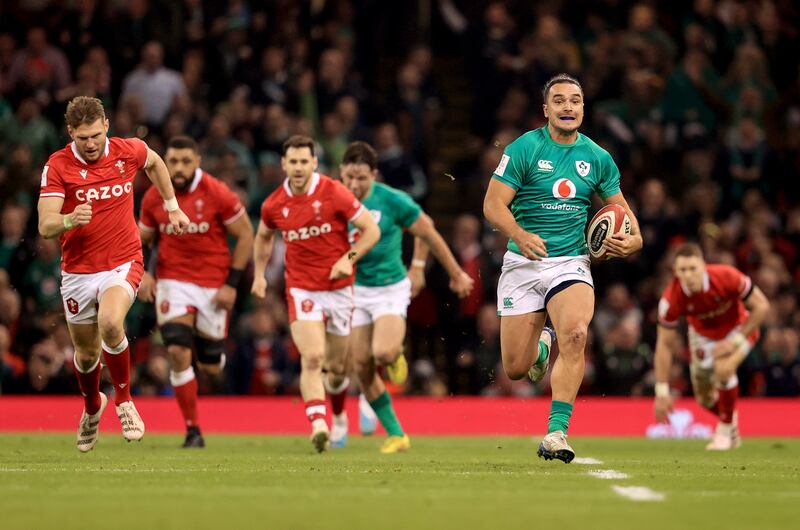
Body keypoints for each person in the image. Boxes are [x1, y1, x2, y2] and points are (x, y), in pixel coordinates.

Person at [483, 74, 643, 463]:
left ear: (583, 109)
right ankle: (540, 347)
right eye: (559, 101)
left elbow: (632, 227)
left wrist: (631, 242)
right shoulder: (524, 148)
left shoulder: (599, 158)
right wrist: (520, 235)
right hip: (523, 262)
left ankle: (556, 431)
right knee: (516, 369)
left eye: (575, 101)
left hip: (570, 262)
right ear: (546, 109)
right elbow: (492, 206)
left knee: (574, 333)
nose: (568, 107)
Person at [37, 96, 190, 452]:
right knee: (87, 355)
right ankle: (93, 407)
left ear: (106, 125)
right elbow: (45, 225)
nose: (90, 144)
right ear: (70, 132)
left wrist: (173, 208)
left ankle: (123, 401)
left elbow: (155, 163)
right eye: (82, 138)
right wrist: (68, 220)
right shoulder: (57, 166)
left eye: (95, 135)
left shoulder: (128, 151)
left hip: (123, 261)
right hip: (78, 270)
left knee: (110, 321)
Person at [338, 141, 474, 452]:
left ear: (374, 174)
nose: (354, 184)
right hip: (354, 289)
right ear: (341, 174)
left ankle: (395, 353)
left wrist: (446, 271)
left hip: (389, 287)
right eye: (349, 177)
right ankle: (397, 434)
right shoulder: (336, 200)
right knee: (360, 365)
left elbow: (427, 231)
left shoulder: (392, 200)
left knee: (383, 354)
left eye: (361, 177)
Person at [251, 135, 380, 453]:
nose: (297, 167)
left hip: (339, 290)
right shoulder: (274, 204)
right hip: (302, 288)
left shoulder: (333, 192)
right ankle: (319, 423)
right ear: (284, 164)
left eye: (303, 162)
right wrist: (258, 275)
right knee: (312, 358)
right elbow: (264, 236)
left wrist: (346, 259)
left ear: (314, 163)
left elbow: (371, 231)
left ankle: (338, 416)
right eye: (292, 161)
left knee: (337, 370)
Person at [138, 135, 253, 448]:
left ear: (198, 162)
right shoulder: (154, 197)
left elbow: (245, 235)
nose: (178, 167)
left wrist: (232, 284)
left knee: (210, 367)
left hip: (213, 287)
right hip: (173, 281)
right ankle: (193, 430)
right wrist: (145, 273)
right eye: (173, 160)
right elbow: (143, 239)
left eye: (185, 161)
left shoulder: (217, 192)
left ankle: (212, 358)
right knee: (177, 351)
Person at [654, 242, 769, 450]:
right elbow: (664, 343)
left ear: (704, 266)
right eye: (683, 270)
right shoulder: (671, 299)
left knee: (724, 368)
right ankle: (730, 423)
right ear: (675, 272)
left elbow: (761, 306)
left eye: (693, 269)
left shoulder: (727, 276)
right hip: (702, 337)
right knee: (705, 398)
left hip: (739, 329)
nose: (688, 275)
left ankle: (724, 433)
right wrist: (662, 391)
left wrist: (734, 341)